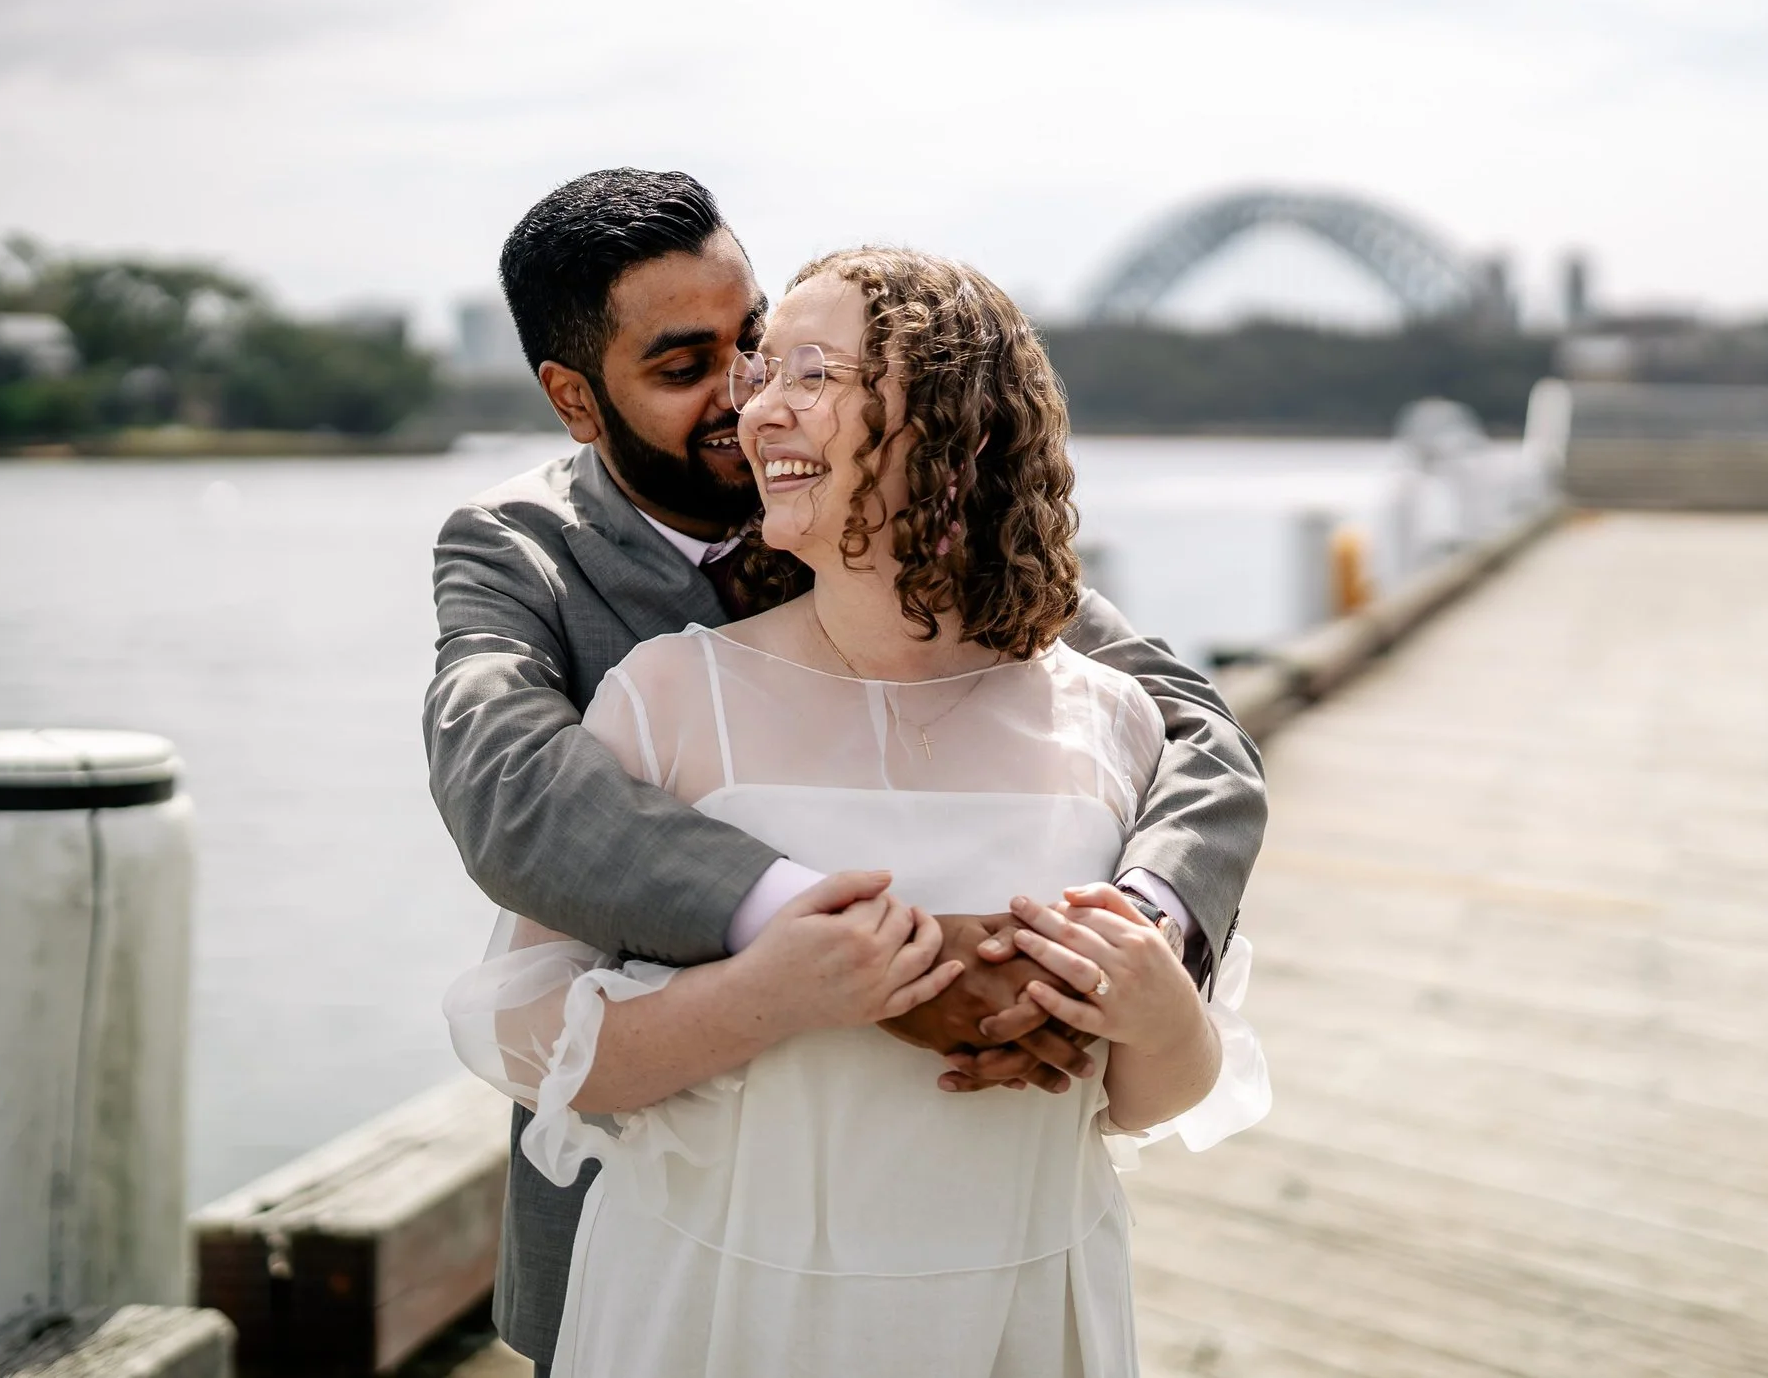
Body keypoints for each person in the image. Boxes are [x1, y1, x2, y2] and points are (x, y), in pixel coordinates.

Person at [424, 172, 1268, 1370]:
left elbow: (1198, 735)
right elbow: (509, 785)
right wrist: (831, 945)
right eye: (684, 366)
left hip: (1001, 1266)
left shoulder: (975, 572)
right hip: (693, 1253)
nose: (743, 395)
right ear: (574, 397)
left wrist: (1115, 948)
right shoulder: (528, 558)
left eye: (764, 345)